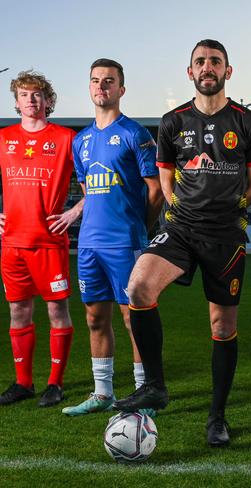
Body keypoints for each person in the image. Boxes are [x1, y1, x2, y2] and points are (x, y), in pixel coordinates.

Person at [114, 39, 251, 446]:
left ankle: (216, 418)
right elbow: (165, 174)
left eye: (215, 61)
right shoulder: (172, 121)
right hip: (181, 227)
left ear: (227, 71)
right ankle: (155, 385)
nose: (208, 67)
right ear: (190, 72)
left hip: (226, 234)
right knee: (139, 287)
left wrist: (237, 204)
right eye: (200, 61)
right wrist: (176, 207)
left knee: (222, 326)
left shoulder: (248, 122)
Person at [61, 59, 163, 416]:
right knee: (94, 318)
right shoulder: (81, 141)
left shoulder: (136, 134)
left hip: (125, 242)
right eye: (95, 81)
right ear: (89, 88)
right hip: (89, 245)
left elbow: (155, 190)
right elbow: (91, 190)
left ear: (121, 89)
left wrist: (140, 227)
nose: (101, 86)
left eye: (109, 81)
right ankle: (102, 393)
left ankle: (142, 393)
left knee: (132, 318)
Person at [0, 70, 80, 407]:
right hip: (12, 243)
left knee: (56, 311)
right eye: (24, 95)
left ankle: (55, 383)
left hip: (49, 242)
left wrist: (75, 212)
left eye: (37, 94)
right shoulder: (4, 138)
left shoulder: (66, 138)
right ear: (16, 103)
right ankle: (23, 382)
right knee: (18, 311)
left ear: (48, 100)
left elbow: (98, 180)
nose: (31, 100)